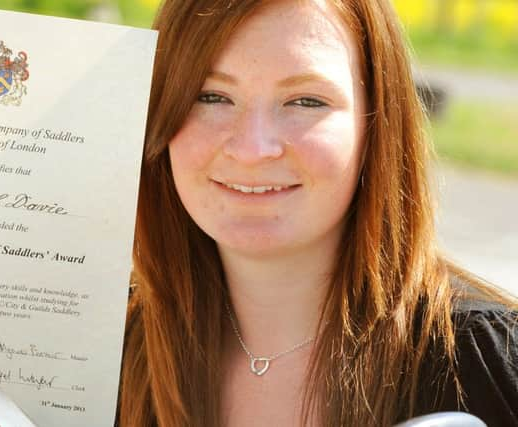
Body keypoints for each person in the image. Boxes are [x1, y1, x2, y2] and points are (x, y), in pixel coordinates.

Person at [117, 0, 518, 426]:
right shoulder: (93, 355)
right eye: (211, 96)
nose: (253, 149)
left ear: (377, 122)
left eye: (305, 101)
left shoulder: (490, 368)